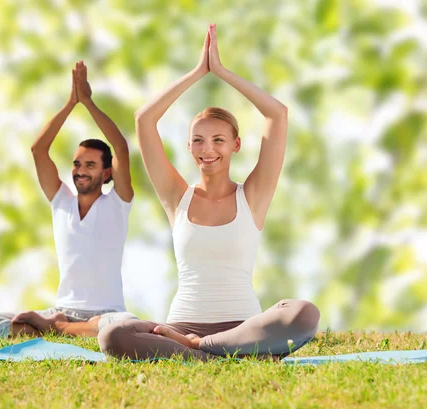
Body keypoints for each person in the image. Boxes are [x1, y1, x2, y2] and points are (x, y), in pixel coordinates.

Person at [99, 25, 320, 360]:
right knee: (113, 334)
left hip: (243, 329)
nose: (208, 149)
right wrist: (196, 72)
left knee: (304, 312)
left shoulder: (253, 197)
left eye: (218, 140)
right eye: (199, 140)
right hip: (179, 329)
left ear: (235, 145)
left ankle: (204, 351)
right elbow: (145, 120)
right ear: (189, 146)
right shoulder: (177, 197)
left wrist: (222, 72)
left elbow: (277, 114)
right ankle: (226, 355)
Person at [0, 61, 137, 339]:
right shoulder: (61, 201)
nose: (80, 171)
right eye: (76, 164)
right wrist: (70, 103)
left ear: (107, 172)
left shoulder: (118, 203)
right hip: (63, 309)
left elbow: (120, 147)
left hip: (107, 313)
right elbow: (38, 150)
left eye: (89, 165)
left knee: (126, 325)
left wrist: (88, 102)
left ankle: (53, 329)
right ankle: (62, 326)